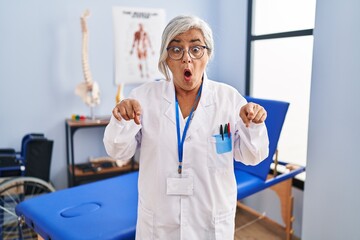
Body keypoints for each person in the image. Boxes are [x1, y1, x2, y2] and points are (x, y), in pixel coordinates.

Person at [104, 15, 269, 240]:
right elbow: (118, 152)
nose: (186, 59)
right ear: (166, 58)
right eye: (176, 49)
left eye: (196, 49)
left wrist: (254, 125)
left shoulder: (228, 99)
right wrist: (123, 119)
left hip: (210, 222)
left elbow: (252, 156)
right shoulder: (144, 98)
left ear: (208, 54)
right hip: (159, 223)